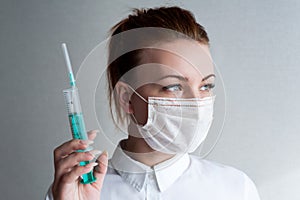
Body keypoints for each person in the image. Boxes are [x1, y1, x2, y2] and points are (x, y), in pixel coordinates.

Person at [46, 6, 261, 200]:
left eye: (205, 86)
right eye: (174, 87)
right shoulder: (75, 191)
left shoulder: (235, 190)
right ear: (127, 98)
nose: (196, 103)